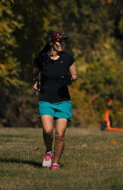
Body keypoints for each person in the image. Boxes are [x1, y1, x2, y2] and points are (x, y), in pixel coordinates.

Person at [33, 30, 78, 170]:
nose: (61, 44)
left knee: (60, 135)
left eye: (62, 41)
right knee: (48, 131)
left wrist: (70, 79)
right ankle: (48, 151)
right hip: (46, 99)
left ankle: (56, 163)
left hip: (63, 101)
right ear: (51, 43)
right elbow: (35, 73)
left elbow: (75, 75)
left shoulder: (68, 58)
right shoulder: (42, 59)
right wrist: (36, 81)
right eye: (59, 41)